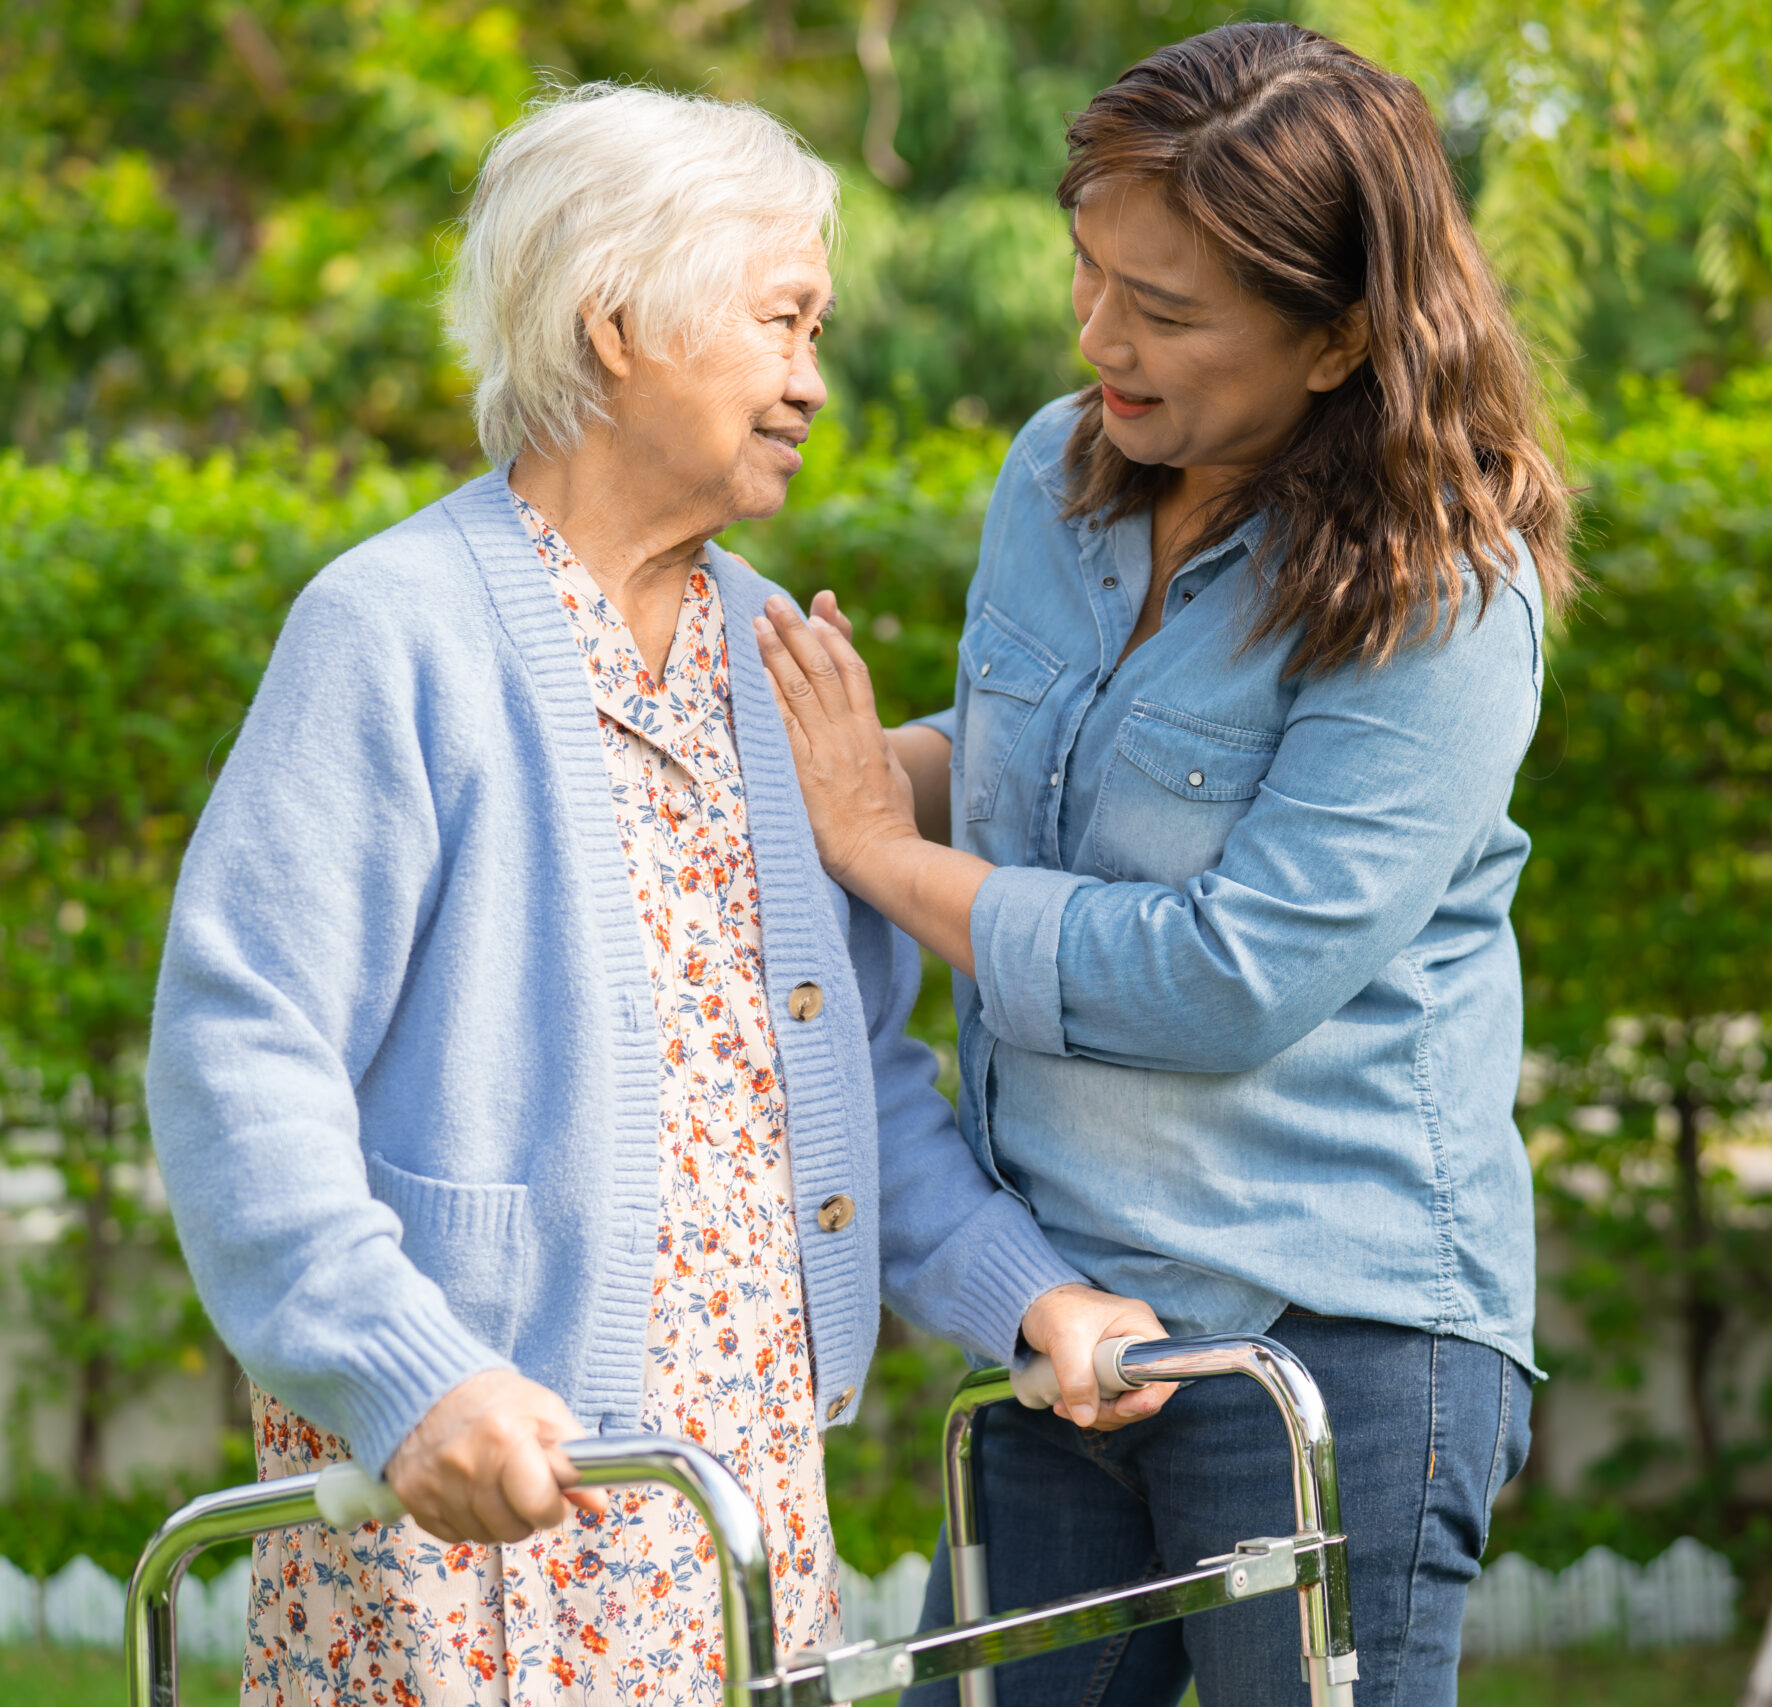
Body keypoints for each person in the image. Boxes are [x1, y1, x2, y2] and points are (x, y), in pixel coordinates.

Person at [145, 83, 1165, 1707]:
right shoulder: (393, 633)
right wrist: (408, 1381)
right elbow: (239, 1056)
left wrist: (1022, 1291)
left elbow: (839, 1094)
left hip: (731, 1520)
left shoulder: (776, 662)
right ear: (615, 322)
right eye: (781, 322)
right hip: (468, 1508)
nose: (812, 382)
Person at [753, 23, 1575, 1705]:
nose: (1102, 338)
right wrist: (813, 771)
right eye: (1091, 272)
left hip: (1334, 1334)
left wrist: (867, 845)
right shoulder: (1053, 477)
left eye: (1171, 310)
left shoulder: (1446, 591)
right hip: (1076, 1320)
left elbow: (1229, 974)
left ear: (1342, 338)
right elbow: (1018, 787)